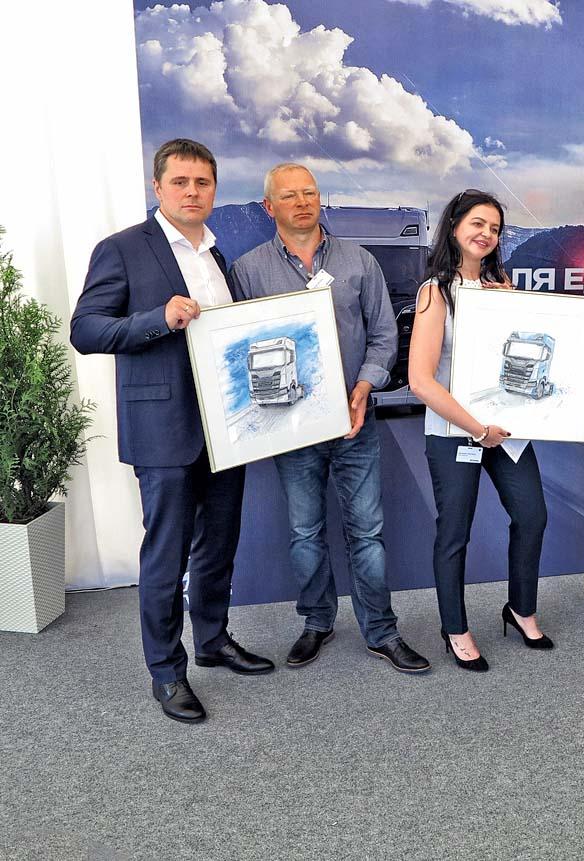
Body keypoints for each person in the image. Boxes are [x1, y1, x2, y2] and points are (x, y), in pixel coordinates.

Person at [70, 139, 274, 724]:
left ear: (214, 190)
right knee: (167, 553)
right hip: (163, 428)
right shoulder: (122, 248)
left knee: (219, 542)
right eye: (180, 182)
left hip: (226, 426)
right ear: (157, 187)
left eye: (202, 183)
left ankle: (212, 640)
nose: (192, 192)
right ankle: (166, 671)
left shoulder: (217, 253)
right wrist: (156, 320)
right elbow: (86, 330)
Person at [230, 163, 429, 674]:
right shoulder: (248, 271)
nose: (302, 202)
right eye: (289, 195)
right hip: (290, 428)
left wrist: (364, 388)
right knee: (304, 534)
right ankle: (317, 622)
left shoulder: (359, 261)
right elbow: (237, 349)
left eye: (310, 193)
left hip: (354, 421)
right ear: (268, 206)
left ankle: (381, 631)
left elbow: (383, 335)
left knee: (368, 533)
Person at [408, 189, 551, 672]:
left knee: (532, 516)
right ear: (454, 227)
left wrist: (516, 310)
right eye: (477, 223)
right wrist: (476, 428)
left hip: (504, 431)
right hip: (456, 432)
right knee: (454, 533)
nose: (486, 234)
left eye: (494, 228)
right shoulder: (435, 293)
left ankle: (521, 608)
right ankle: (455, 628)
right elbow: (420, 380)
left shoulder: (500, 289)